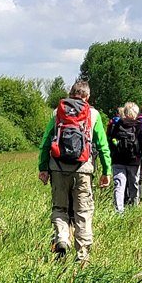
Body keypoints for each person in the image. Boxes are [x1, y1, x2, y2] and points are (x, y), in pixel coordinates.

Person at [39, 79, 112, 264]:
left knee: (59, 208)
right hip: (83, 169)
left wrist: (43, 167)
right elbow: (102, 145)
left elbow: (46, 141)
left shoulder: (57, 112)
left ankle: (62, 238)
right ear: (87, 96)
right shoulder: (93, 114)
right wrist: (107, 171)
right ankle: (82, 255)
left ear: (71, 93)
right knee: (83, 211)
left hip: (58, 167)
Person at [108, 102, 142, 213]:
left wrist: (112, 156)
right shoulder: (139, 125)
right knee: (134, 184)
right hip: (134, 161)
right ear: (135, 113)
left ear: (125, 112)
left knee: (119, 186)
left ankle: (119, 211)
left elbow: (111, 141)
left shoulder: (117, 124)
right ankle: (135, 207)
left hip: (118, 160)